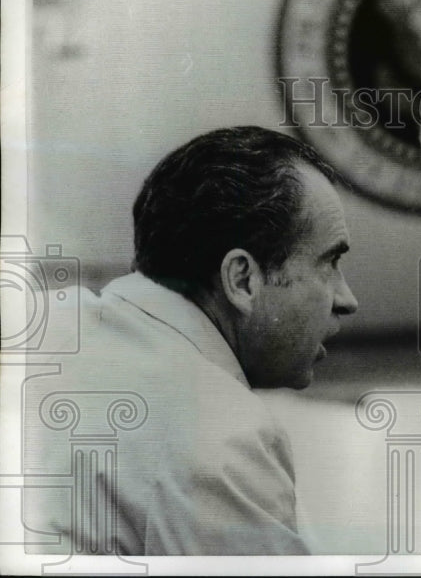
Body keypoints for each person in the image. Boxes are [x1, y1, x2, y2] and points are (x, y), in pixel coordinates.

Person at [23, 126, 358, 555]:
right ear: (242, 279)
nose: (347, 300)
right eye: (330, 262)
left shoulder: (45, 326)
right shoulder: (223, 435)